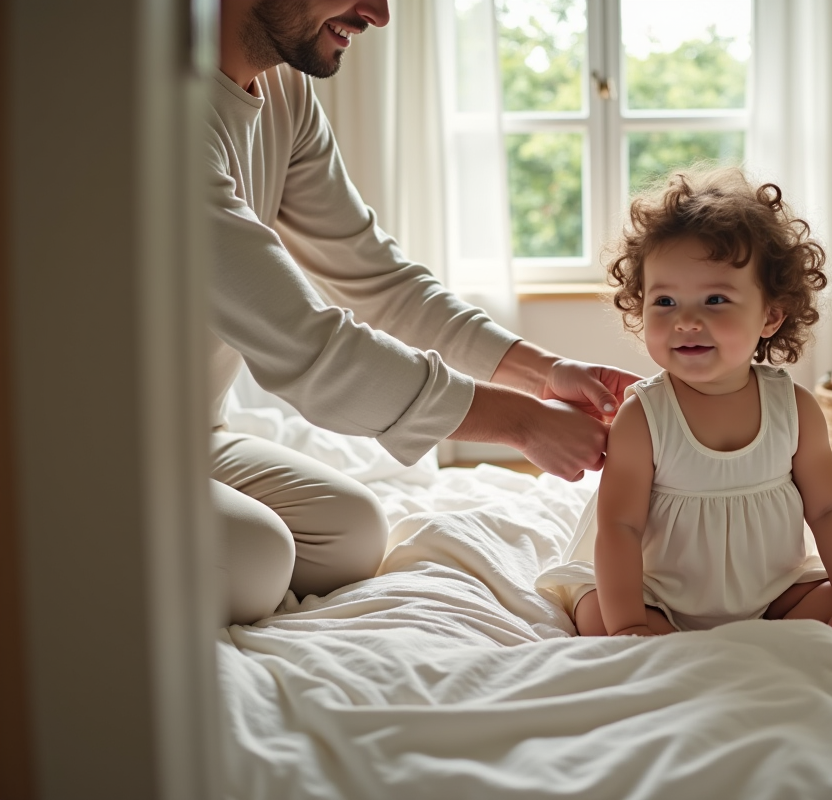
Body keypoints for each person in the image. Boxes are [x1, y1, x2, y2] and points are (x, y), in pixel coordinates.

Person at [208, 0, 640, 625]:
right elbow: (313, 352)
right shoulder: (161, 117)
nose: (379, 14)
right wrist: (522, 424)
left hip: (194, 440)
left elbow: (380, 281)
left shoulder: (285, 95)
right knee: (258, 558)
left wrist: (545, 373)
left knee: (352, 534)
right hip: (89, 450)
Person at [536, 167, 832, 638]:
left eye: (714, 299)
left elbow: (831, 509)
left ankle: (758, 636)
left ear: (770, 316)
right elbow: (620, 528)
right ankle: (671, 638)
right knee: (596, 611)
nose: (686, 321)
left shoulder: (794, 408)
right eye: (664, 302)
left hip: (773, 589)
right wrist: (628, 624)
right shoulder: (643, 416)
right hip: (657, 593)